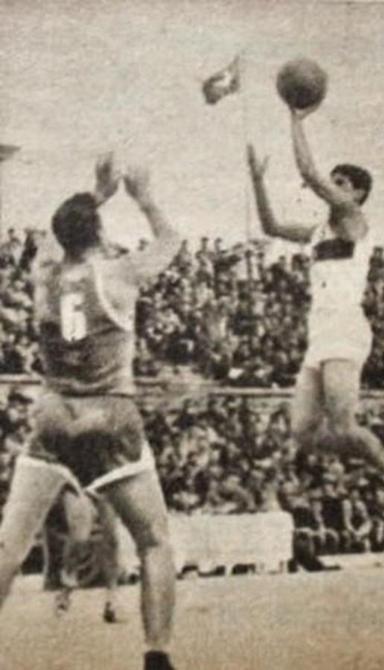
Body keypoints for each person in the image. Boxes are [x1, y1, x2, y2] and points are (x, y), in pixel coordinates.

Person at [0, 154, 180, 670]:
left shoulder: (44, 276)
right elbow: (170, 242)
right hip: (109, 415)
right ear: (98, 232)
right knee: (154, 542)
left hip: (54, 414)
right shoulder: (120, 273)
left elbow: (51, 237)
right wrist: (143, 198)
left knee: (10, 543)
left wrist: (94, 195)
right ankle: (157, 653)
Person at [246, 104, 384, 493]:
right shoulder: (318, 231)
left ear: (357, 193)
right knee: (303, 432)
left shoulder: (352, 217)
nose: (333, 188)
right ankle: (377, 460)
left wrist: (296, 121)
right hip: (320, 331)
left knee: (344, 425)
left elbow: (309, 173)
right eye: (333, 182)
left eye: (341, 183)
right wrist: (258, 180)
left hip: (345, 325)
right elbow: (270, 226)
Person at [53, 486, 124, 624]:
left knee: (111, 539)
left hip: (105, 484)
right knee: (80, 537)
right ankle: (66, 590)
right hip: (77, 485)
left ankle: (112, 600)